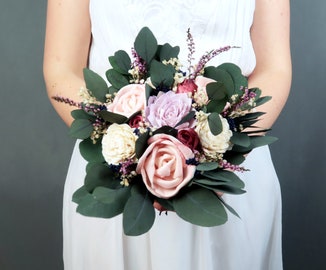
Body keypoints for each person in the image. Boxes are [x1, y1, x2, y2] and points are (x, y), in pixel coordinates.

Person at [43, 0, 291, 269]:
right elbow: (61, 68)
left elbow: (274, 69)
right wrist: (130, 149)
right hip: (117, 174)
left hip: (229, 171)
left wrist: (216, 149)